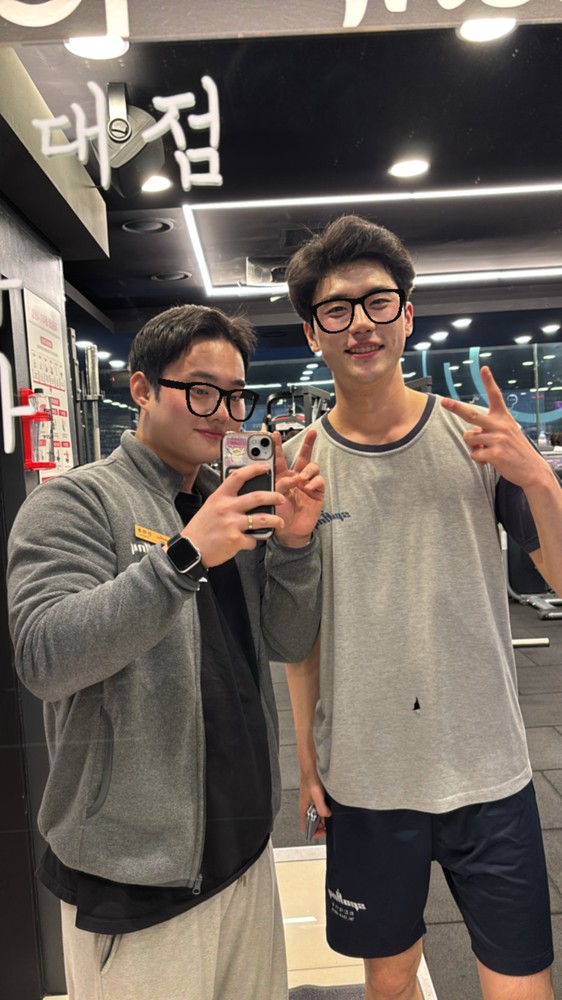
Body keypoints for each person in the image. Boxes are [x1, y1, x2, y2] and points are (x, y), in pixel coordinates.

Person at [7, 303, 324, 1000]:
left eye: (236, 396)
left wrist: (297, 547)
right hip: (133, 873)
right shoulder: (76, 503)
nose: (224, 414)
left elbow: (286, 641)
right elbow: (44, 657)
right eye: (201, 390)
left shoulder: (226, 503)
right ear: (142, 388)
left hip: (243, 849)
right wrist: (182, 558)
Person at [282, 214, 562, 1000]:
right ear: (312, 333)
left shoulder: (478, 440)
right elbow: (302, 634)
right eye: (336, 309)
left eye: (378, 302)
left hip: (488, 770)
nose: (360, 323)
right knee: (391, 981)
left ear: (407, 316)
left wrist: (539, 478)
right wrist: (307, 761)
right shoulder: (301, 466)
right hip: (366, 776)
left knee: (521, 988)